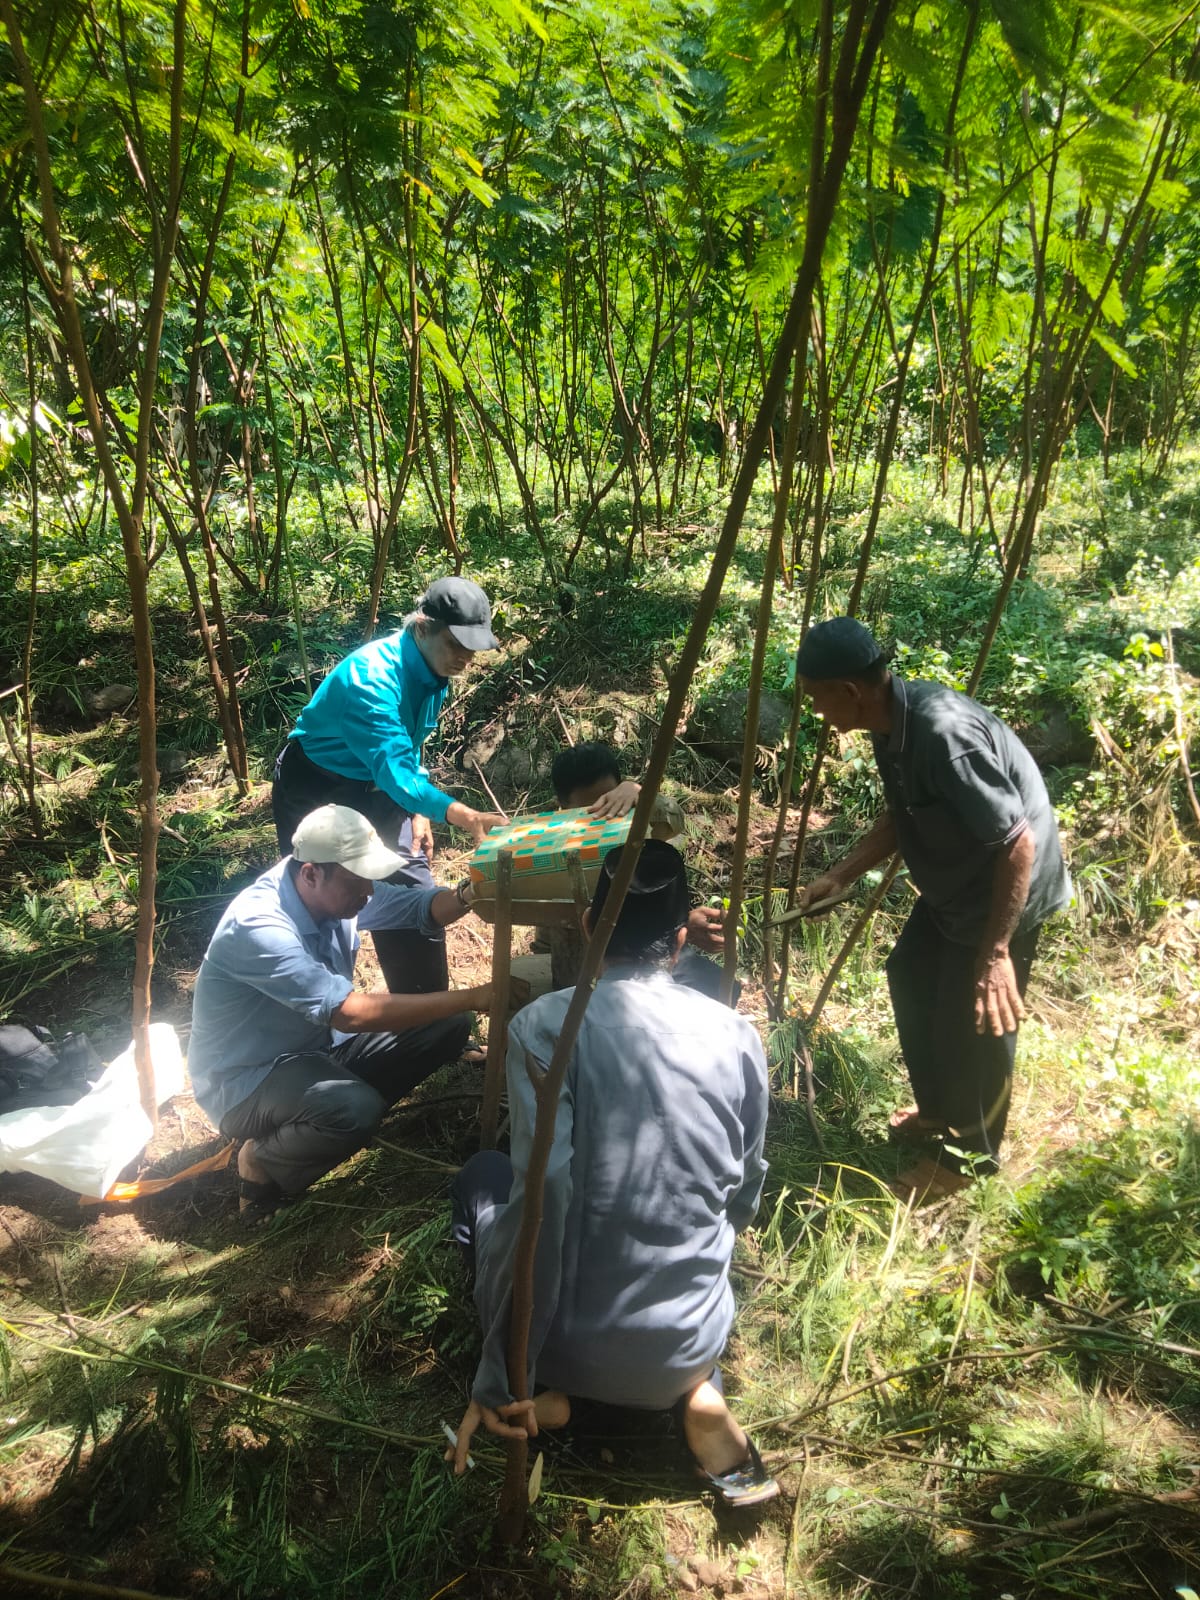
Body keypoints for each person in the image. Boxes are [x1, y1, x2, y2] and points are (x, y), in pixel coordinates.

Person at [445, 840, 778, 1508]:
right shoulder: (737, 1035)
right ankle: (691, 1388)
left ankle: (563, 1396)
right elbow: (744, 1189)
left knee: (483, 1175)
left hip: (561, 1347)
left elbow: (544, 1194)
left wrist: (500, 1374)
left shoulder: (547, 1025)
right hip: (689, 1334)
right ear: (680, 939)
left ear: (589, 925)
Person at [793, 618, 1071, 1199]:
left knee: (976, 1017)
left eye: (816, 697)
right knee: (912, 974)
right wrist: (840, 874)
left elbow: (1018, 844)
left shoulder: (944, 735)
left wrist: (996, 952)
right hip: (957, 884)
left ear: (850, 690)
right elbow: (902, 814)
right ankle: (940, 1111)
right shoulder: (886, 725)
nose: (815, 711)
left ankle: (969, 1160)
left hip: (1005, 889)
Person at [188, 805, 491, 1222]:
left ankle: (329, 1118)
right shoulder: (259, 928)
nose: (368, 891)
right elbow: (348, 1013)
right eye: (357, 881)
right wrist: (474, 997)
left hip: (316, 1048)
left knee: (448, 1026)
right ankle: (262, 1160)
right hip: (248, 1080)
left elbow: (418, 908)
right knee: (354, 1110)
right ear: (312, 873)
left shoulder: (337, 889)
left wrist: (470, 894)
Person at [271, 578, 506, 994]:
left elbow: (407, 746)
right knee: (322, 899)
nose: (466, 658)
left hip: (378, 789)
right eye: (457, 644)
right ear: (423, 627)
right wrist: (465, 816)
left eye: (473, 648)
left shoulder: (433, 670)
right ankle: (323, 1012)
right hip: (319, 789)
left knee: (413, 887)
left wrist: (416, 809)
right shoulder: (371, 680)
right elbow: (395, 771)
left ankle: (429, 1017)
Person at [549, 741, 730, 997]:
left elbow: (674, 819)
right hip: (592, 971)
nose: (603, 818)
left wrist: (639, 794)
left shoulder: (635, 827)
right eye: (590, 811)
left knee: (721, 988)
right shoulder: (550, 851)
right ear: (562, 806)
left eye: (610, 803)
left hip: (653, 961)